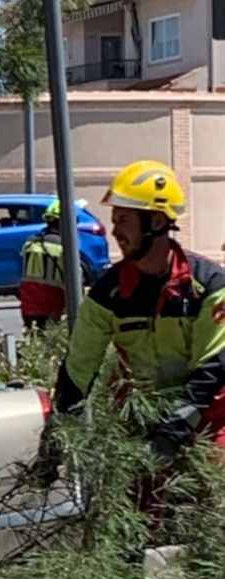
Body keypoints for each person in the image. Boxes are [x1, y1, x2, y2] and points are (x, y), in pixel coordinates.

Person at [41, 159, 225, 476]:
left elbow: (212, 369)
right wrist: (58, 435)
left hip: (207, 419)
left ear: (155, 221)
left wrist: (173, 433)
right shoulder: (107, 294)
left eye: (123, 220)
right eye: (114, 220)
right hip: (141, 420)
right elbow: (78, 368)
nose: (115, 231)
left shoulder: (208, 286)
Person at [19, 200, 66, 329]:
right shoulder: (63, 247)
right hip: (52, 305)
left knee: (34, 339)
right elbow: (72, 279)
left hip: (28, 306)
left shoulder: (30, 243)